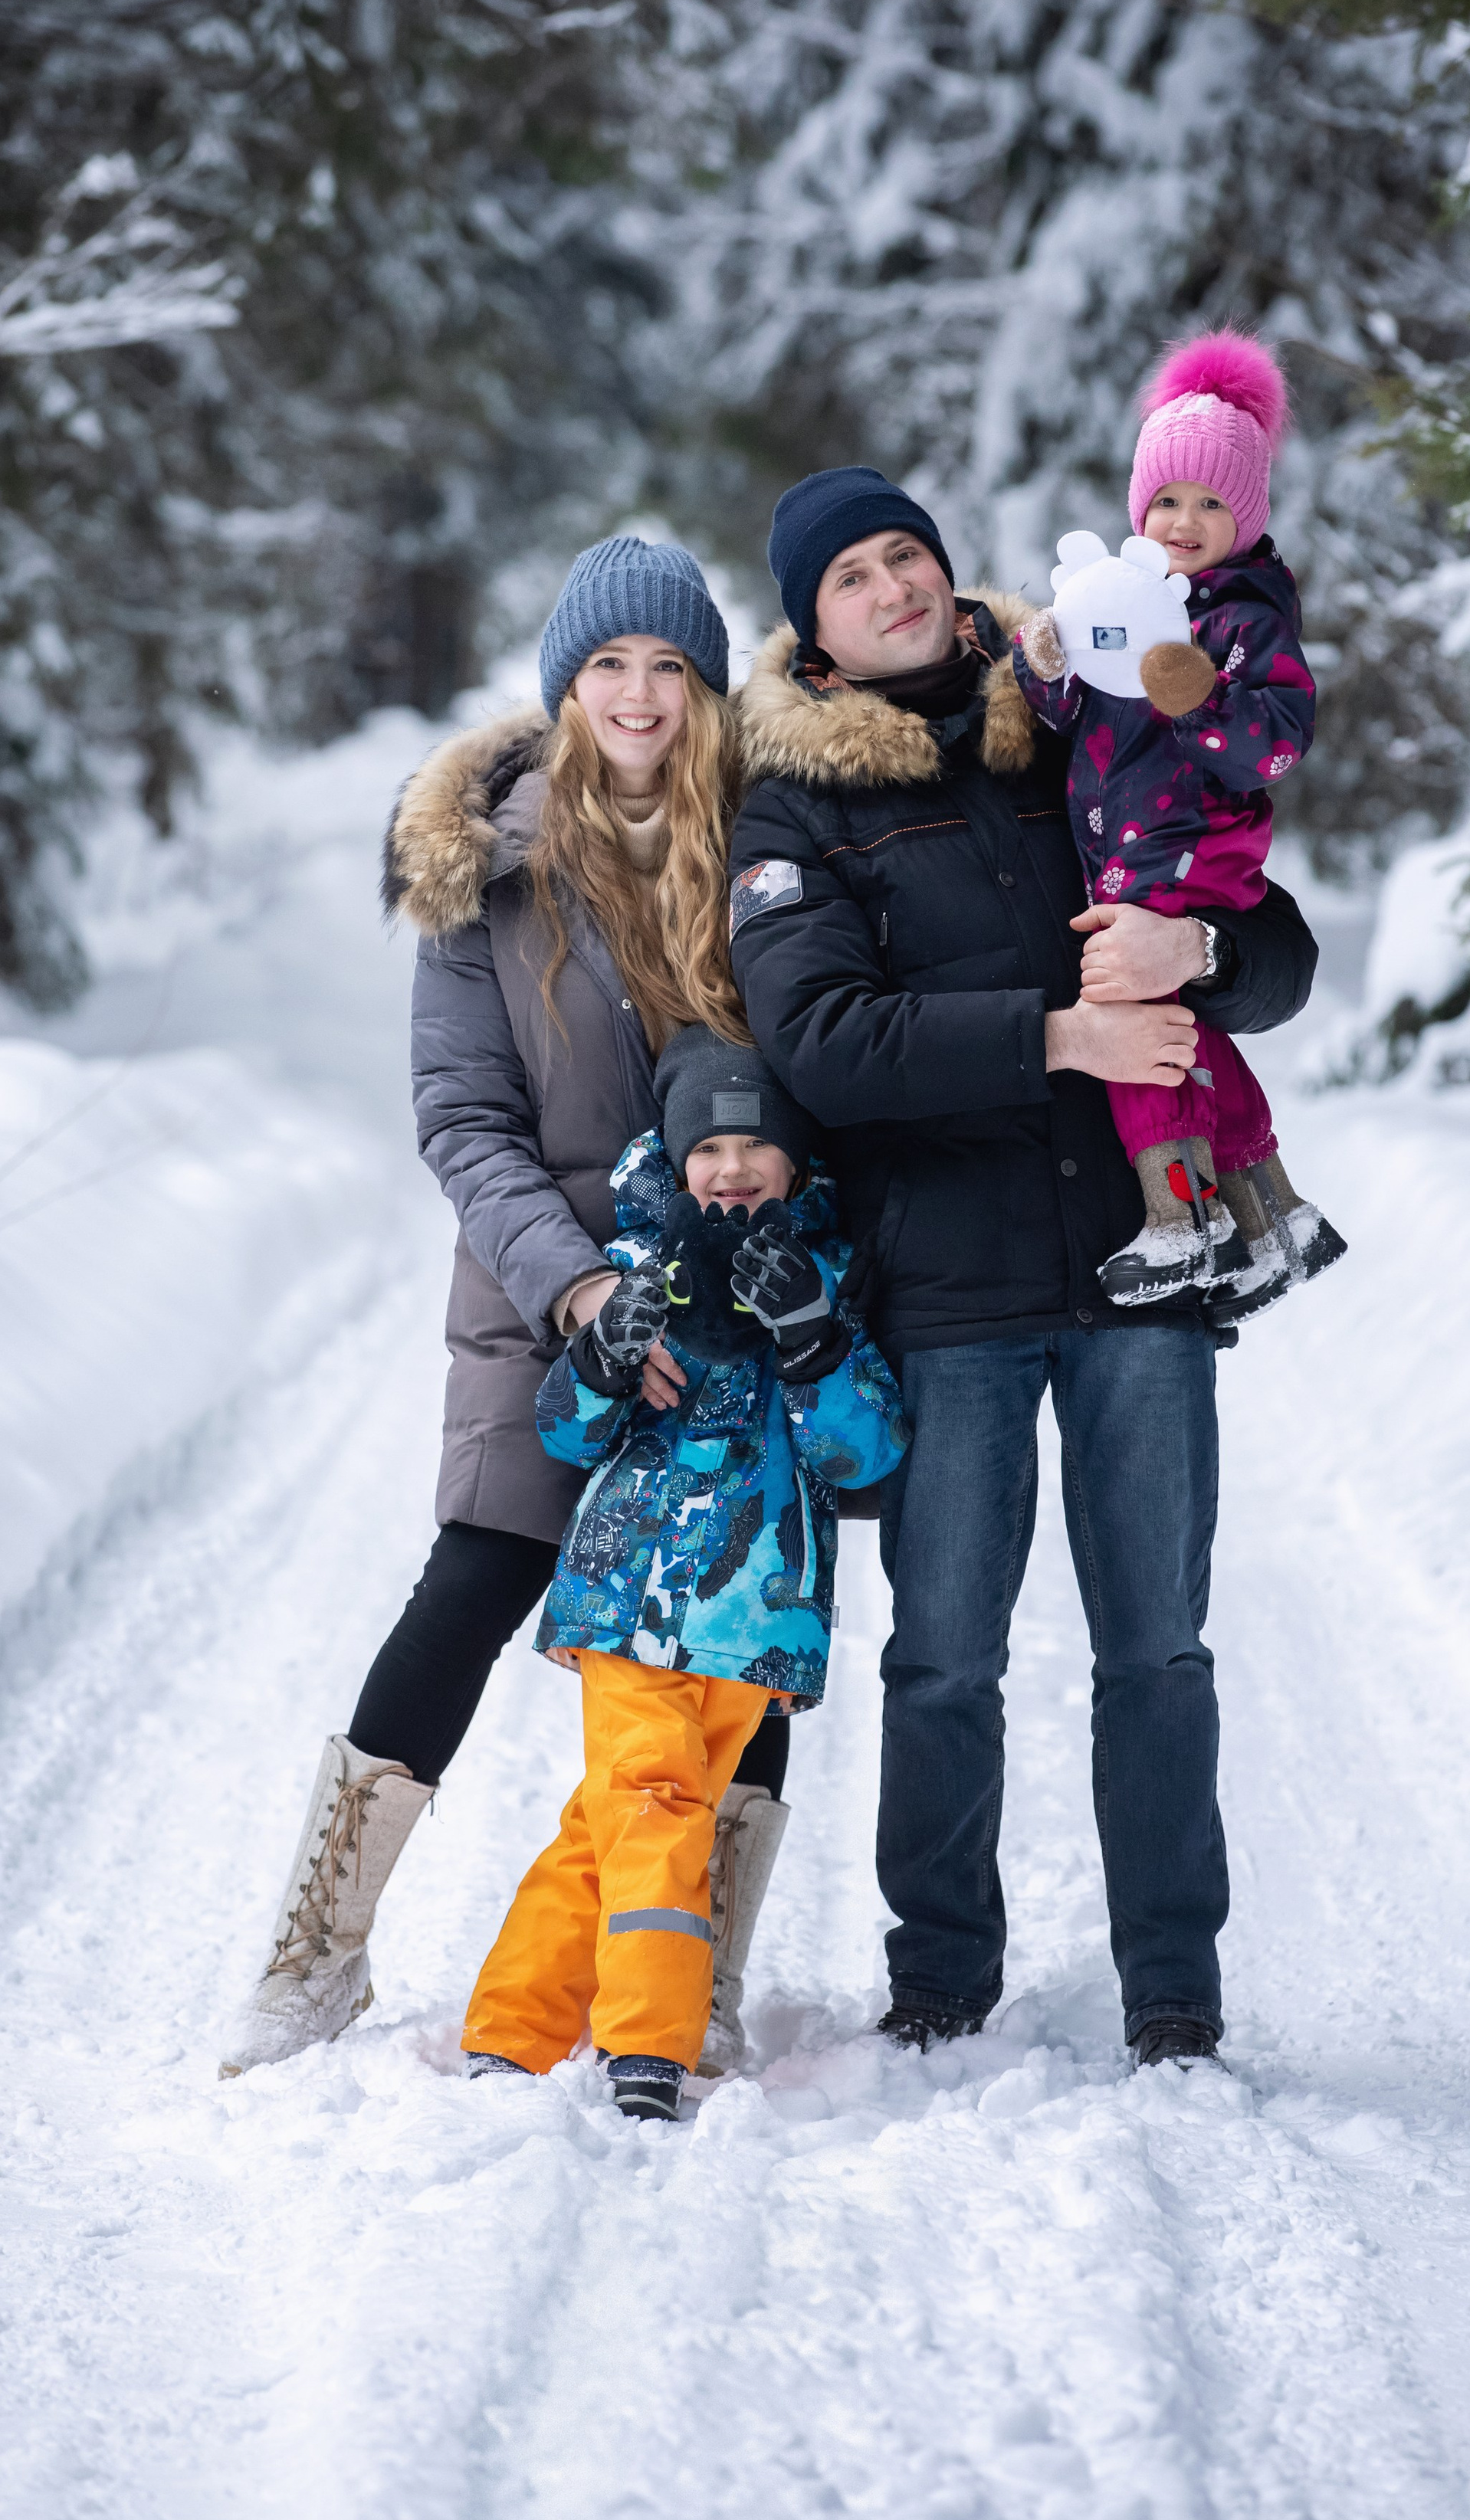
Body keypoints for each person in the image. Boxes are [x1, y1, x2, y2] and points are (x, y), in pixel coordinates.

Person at [726, 464, 1317, 2069]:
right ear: (818, 642)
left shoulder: (1075, 708)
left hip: (1142, 1270)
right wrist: (1056, 1031)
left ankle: (1174, 1991)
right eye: (848, 577)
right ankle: (937, 1979)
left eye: (904, 553)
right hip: (946, 1295)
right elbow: (821, 1040)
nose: (892, 585)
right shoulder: (788, 808)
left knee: (1155, 1650)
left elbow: (1271, 941)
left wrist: (1197, 952)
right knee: (940, 1660)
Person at [218, 538, 796, 2078]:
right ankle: (315, 1949)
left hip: (724, 1296)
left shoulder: (761, 849)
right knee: (475, 1576)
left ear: (703, 688)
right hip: (541, 1283)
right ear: (562, 687)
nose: (638, 697)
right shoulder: (482, 871)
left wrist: (770, 1260)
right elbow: (460, 1120)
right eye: (607, 667)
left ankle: (702, 1962)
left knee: (728, 1622)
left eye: (669, 667)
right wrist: (579, 1281)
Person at [458, 1028, 908, 2121]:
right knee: (657, 1803)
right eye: (709, 1147)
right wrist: (604, 1361)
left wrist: (809, 1339)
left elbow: (868, 1454)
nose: (733, 1167)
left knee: (612, 1819)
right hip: (628, 1601)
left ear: (796, 1162)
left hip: (754, 1617)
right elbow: (565, 1435)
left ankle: (511, 2033)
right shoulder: (634, 1271)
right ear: (676, 1156)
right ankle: (649, 2045)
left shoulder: (830, 1280)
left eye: (759, 1146)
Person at [1012, 328, 1345, 1319]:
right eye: (1166, 499)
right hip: (1125, 853)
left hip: (1195, 856)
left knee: (1133, 1020)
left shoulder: (1246, 623)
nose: (1184, 520)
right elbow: (1069, 722)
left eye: (1210, 502)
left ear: (1245, 516)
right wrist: (1048, 666)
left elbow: (1274, 748)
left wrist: (1199, 698)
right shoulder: (1121, 602)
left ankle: (1181, 1215)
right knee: (1184, 1028)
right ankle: (1271, 1210)